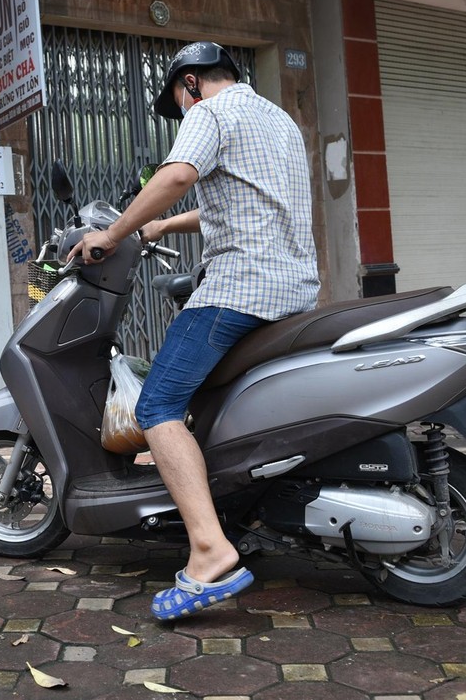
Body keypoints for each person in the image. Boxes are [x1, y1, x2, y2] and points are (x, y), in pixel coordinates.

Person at [69, 42, 320, 620]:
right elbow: (231, 202)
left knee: (158, 404)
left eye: (178, 104)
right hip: (293, 287)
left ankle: (209, 549)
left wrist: (114, 233)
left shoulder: (210, 112)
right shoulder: (275, 118)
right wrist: (156, 226)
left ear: (190, 83)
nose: (183, 114)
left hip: (240, 287)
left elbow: (178, 174)